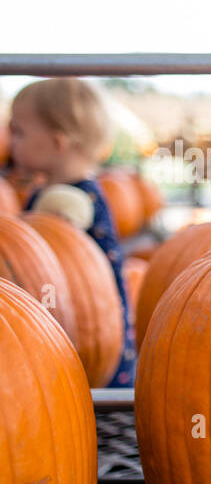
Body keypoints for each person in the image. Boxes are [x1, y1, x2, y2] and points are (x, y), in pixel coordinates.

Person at [7, 78, 135, 386]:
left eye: (18, 131)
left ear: (57, 142)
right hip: (98, 333)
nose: (10, 140)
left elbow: (38, 263)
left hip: (82, 344)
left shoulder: (66, 202)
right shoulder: (66, 190)